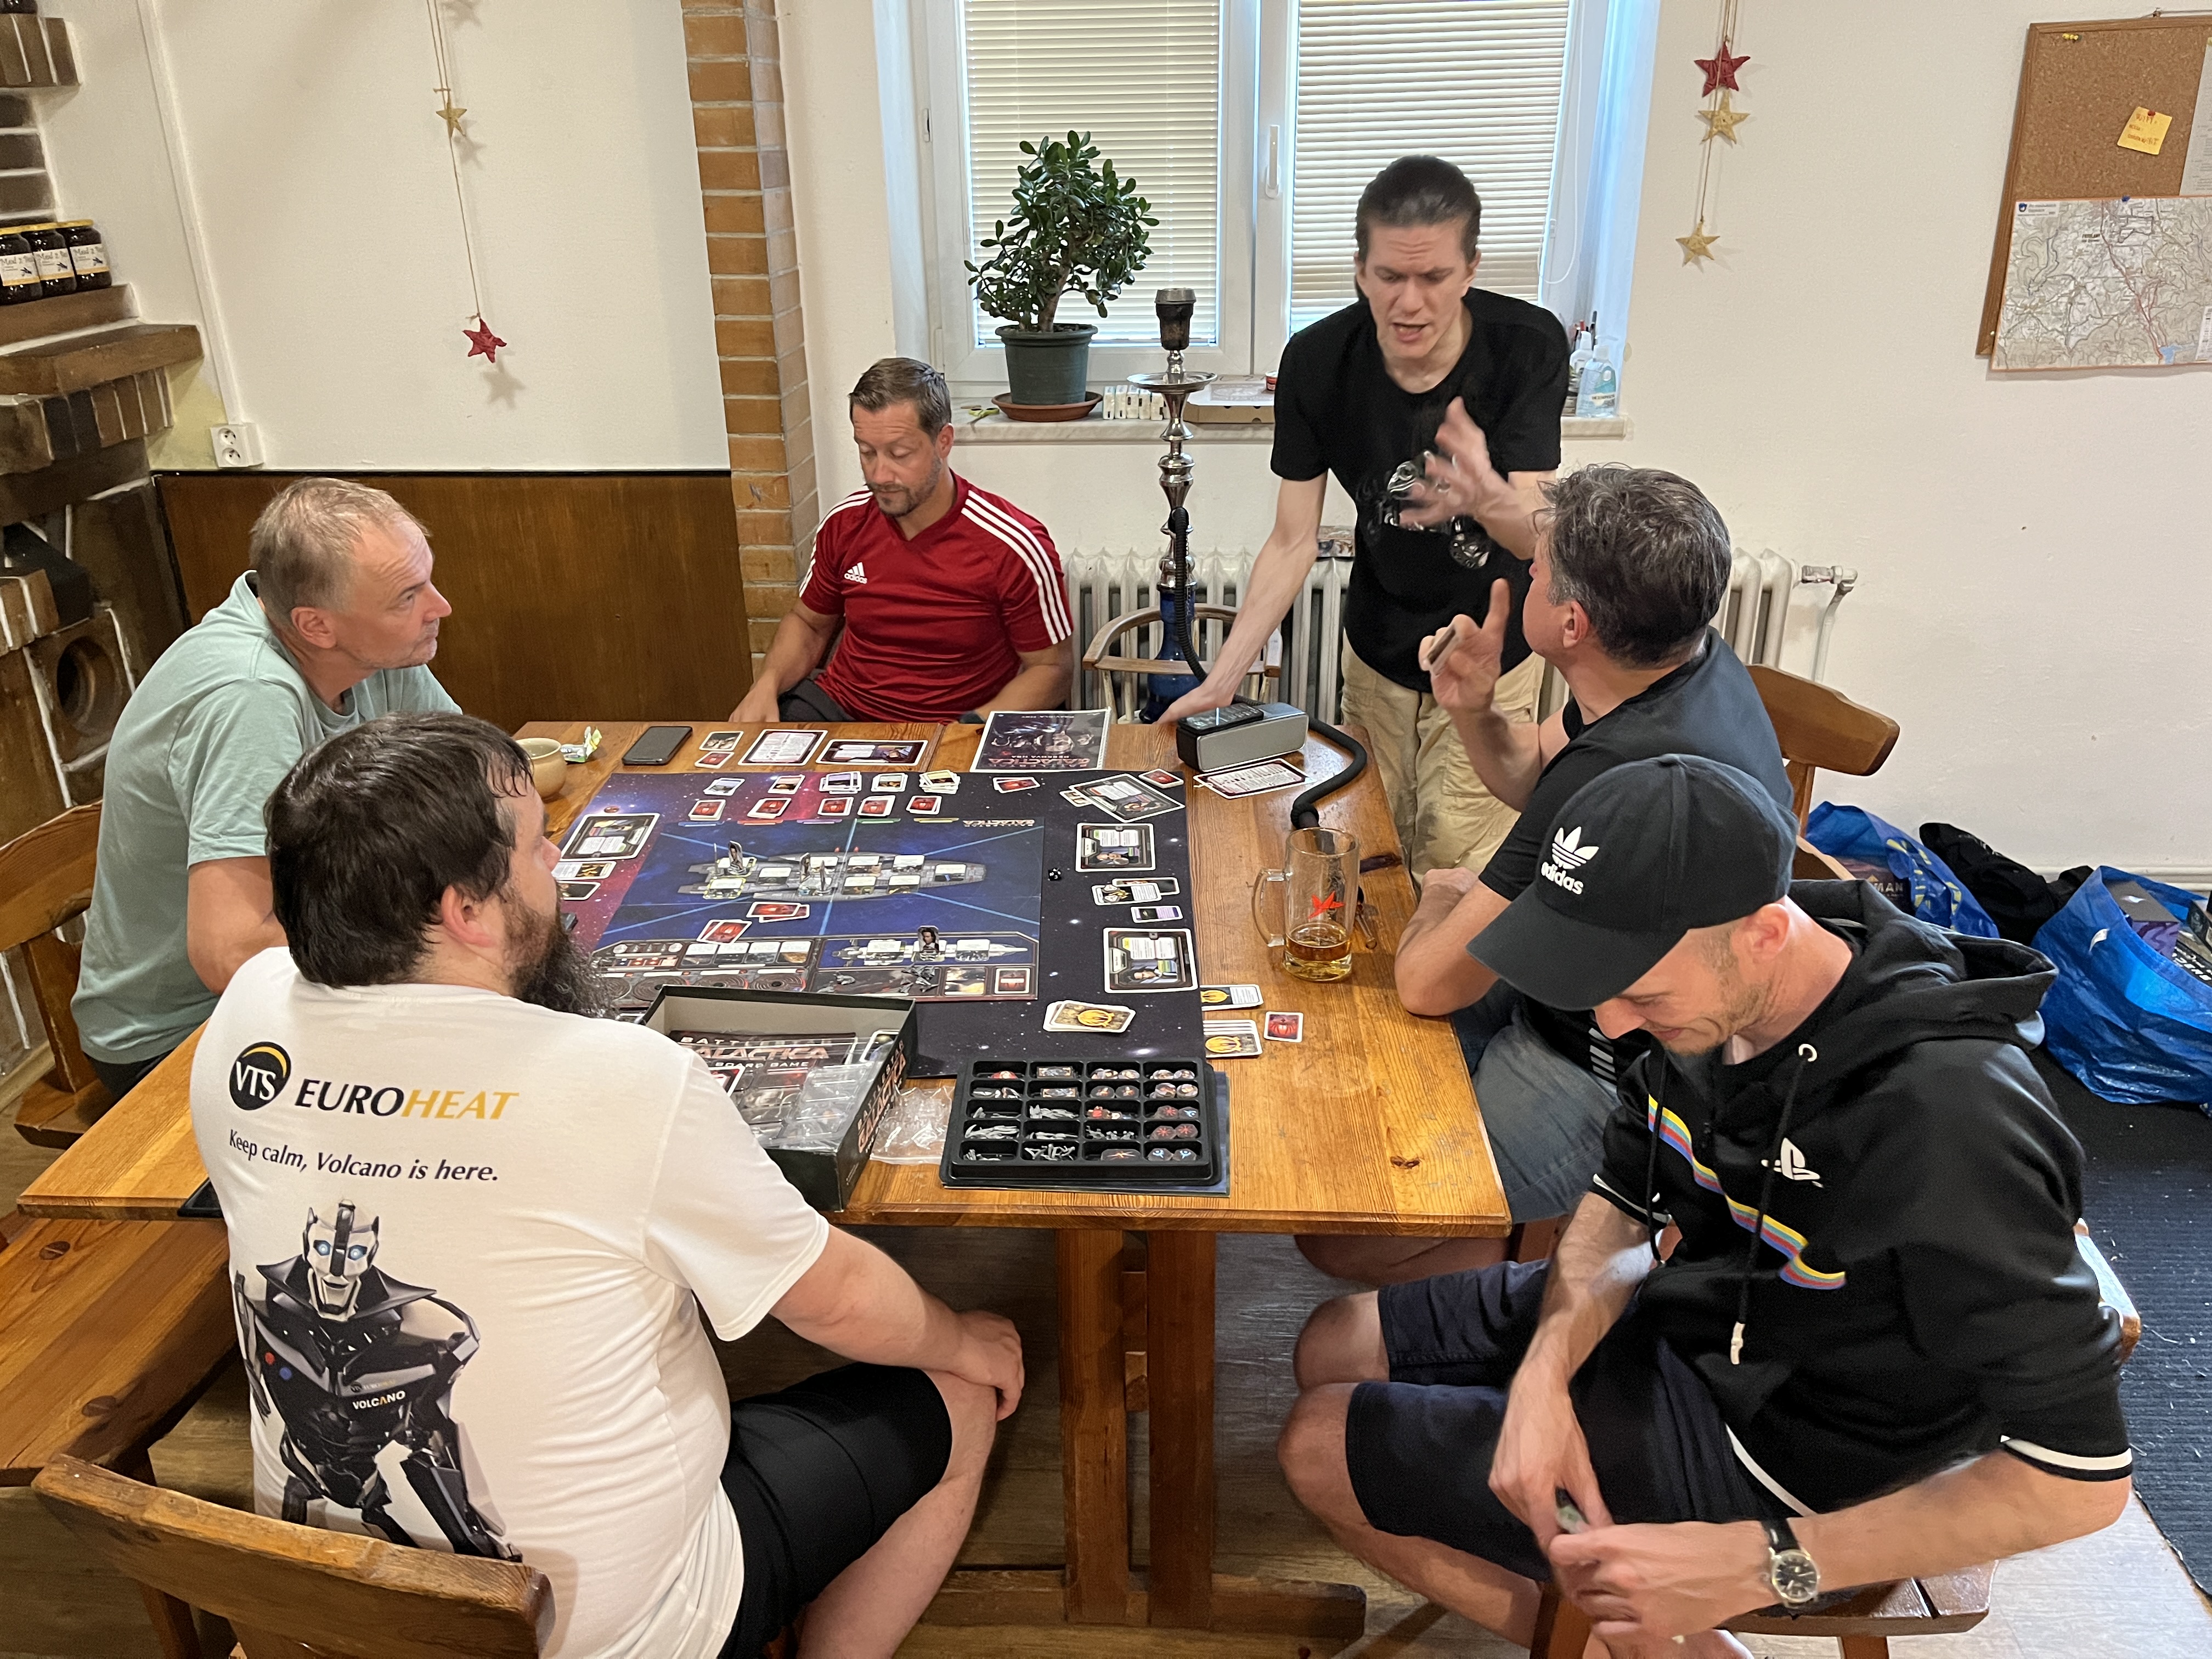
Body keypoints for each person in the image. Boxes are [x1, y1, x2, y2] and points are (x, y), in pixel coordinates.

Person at [190, 712, 1022, 1659]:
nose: (559, 861)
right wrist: (967, 1338)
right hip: (616, 1634)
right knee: (959, 1395)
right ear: (465, 910)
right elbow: (837, 1301)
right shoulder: (625, 1080)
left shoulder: (247, 1011)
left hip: (319, 1618)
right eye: (537, 845)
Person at [1278, 755, 2132, 1658]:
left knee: (1316, 1444)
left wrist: (1767, 1564)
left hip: (1797, 1460)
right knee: (1332, 1341)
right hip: (1691, 1315)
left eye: (1641, 992)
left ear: (1766, 934)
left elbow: (2077, 1481)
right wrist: (1544, 1375)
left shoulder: (1948, 1121)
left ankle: (1656, 1645)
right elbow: (1620, 1200)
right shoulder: (1713, 993)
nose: (1614, 1024)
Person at [1298, 466, 1792, 1286]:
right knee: (1344, 1055)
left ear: (1571, 623)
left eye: (1538, 567)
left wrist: (1443, 897)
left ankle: (1546, 1268)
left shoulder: (1622, 770)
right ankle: (1533, 1250)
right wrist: (1472, 708)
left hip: (1614, 1077)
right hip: (1571, 997)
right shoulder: (1683, 661)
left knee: (1336, 1231)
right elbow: (1533, 770)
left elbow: (1427, 982)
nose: (1525, 567)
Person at [1161, 156, 1568, 881]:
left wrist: (1485, 496)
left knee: (1454, 865)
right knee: (1370, 849)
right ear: (1359, 271)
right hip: (1379, 646)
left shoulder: (1525, 346)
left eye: (1434, 277)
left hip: (1490, 655)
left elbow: (1542, 540)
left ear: (1470, 270)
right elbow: (1293, 540)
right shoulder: (1319, 361)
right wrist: (1224, 679)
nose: (1410, 302)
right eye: (1389, 276)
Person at [73, 477, 458, 1099]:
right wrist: (431, 947)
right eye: (407, 597)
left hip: (304, 975)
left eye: (428, 581)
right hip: (182, 1036)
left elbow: (469, 787)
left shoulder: (371, 653)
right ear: (316, 625)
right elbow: (229, 954)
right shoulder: (249, 697)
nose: (440, 607)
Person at [732, 357, 1073, 725]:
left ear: (943, 442)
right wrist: (765, 685)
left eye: (899, 454)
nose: (880, 474)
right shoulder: (845, 524)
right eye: (867, 452)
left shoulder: (1013, 545)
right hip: (844, 712)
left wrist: (972, 728)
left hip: (953, 726)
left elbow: (1052, 670)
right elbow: (810, 623)